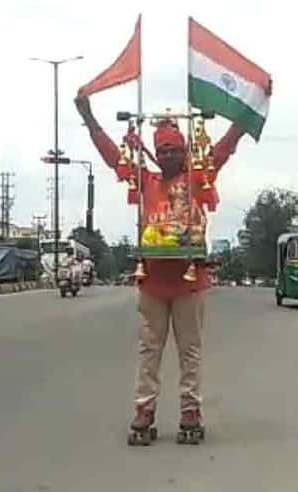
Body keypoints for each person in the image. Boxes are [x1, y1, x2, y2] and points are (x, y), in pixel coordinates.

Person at [74, 92, 244, 441]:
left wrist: (243, 118)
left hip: (190, 282)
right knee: (149, 349)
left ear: (184, 151)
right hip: (151, 282)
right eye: (162, 150)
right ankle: (144, 409)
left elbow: (225, 147)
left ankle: (190, 410)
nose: (167, 155)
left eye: (173, 150)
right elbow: (111, 156)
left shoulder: (199, 179)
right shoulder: (146, 181)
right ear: (155, 152)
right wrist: (89, 118)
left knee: (190, 351)